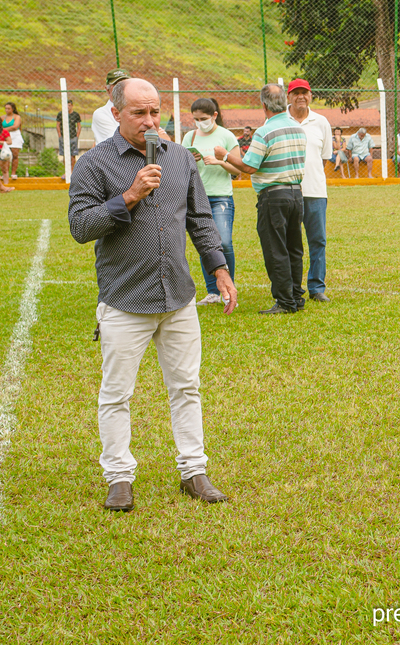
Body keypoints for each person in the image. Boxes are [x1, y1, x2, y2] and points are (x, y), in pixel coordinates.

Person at [67, 77, 236, 512]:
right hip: (125, 299)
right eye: (139, 112)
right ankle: (119, 478)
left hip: (178, 297)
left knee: (187, 387)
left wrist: (219, 269)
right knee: (116, 394)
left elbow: (199, 219)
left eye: (155, 112)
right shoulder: (94, 164)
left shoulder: (180, 158)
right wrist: (129, 196)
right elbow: (81, 227)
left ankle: (193, 472)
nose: (149, 121)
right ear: (115, 112)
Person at [214, 84, 307, 314]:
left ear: (263, 105)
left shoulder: (264, 132)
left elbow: (249, 166)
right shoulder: (298, 128)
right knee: (294, 247)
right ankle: (296, 296)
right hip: (296, 193)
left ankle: (285, 302)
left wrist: (224, 155)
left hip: (273, 196)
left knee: (276, 249)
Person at [182, 98, 240, 306]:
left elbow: (238, 170)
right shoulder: (190, 136)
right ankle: (213, 292)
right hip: (197, 197)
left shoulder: (226, 136)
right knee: (206, 244)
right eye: (196, 119)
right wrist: (190, 159)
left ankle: (229, 289)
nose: (200, 123)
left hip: (221, 197)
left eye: (204, 119)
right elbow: (181, 165)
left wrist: (220, 161)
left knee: (223, 242)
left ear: (214, 116)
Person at [285, 79, 334, 303]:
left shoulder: (321, 122)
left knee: (318, 240)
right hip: (286, 190)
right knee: (288, 242)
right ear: (288, 97)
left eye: (304, 93)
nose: (300, 97)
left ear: (311, 96)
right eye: (296, 93)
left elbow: (324, 158)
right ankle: (291, 287)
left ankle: (316, 287)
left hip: (315, 192)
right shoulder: (279, 121)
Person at [91, 69, 131, 146]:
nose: (122, 89)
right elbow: (118, 143)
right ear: (107, 90)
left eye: (125, 84)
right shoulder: (101, 114)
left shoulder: (141, 109)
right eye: (117, 86)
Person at [57, 98, 81, 172]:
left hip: (73, 137)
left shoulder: (76, 115)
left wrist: (77, 136)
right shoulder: (61, 114)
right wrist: (60, 135)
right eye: (66, 105)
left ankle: (72, 170)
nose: (68, 107)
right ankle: (66, 171)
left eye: (69, 105)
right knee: (65, 155)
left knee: (73, 155)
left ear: (72, 106)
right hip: (63, 137)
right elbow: (58, 125)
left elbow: (79, 126)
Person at [4, 100, 24, 175]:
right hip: (6, 137)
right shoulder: (2, 117)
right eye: (6, 108)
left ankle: (13, 173)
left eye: (8, 108)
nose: (7, 110)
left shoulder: (17, 117)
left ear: (13, 109)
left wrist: (3, 129)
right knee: (6, 156)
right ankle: (5, 173)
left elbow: (15, 127)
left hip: (15, 136)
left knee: (15, 155)